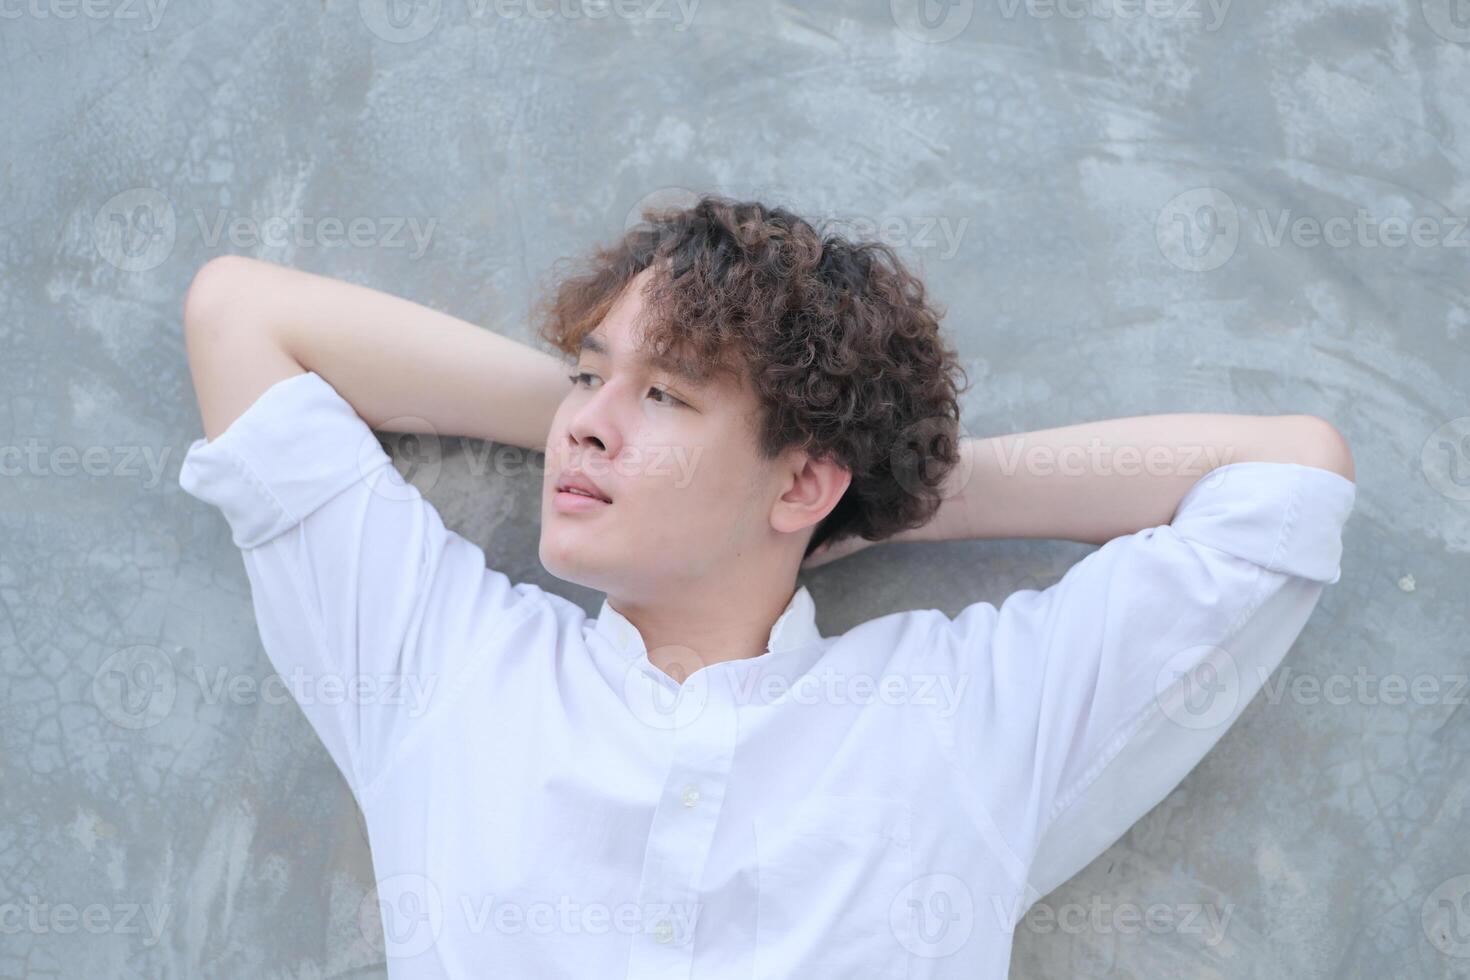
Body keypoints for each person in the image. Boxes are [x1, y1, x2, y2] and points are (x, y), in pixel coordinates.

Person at [178, 195, 1357, 978]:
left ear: (804, 481)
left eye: (666, 397)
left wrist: (884, 497)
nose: (584, 428)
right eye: (585, 378)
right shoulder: (439, 665)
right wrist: (596, 411)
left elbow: (1286, 480)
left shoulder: (960, 719)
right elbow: (242, 314)